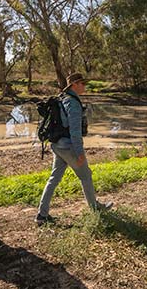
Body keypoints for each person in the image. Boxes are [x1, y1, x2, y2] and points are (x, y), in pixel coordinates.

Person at [36, 73, 113, 225]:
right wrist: (80, 153)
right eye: (82, 83)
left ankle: (41, 215)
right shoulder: (73, 103)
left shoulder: (62, 98)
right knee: (86, 175)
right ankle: (95, 209)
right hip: (68, 146)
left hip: (57, 145)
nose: (85, 86)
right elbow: (75, 131)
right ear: (74, 85)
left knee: (54, 178)